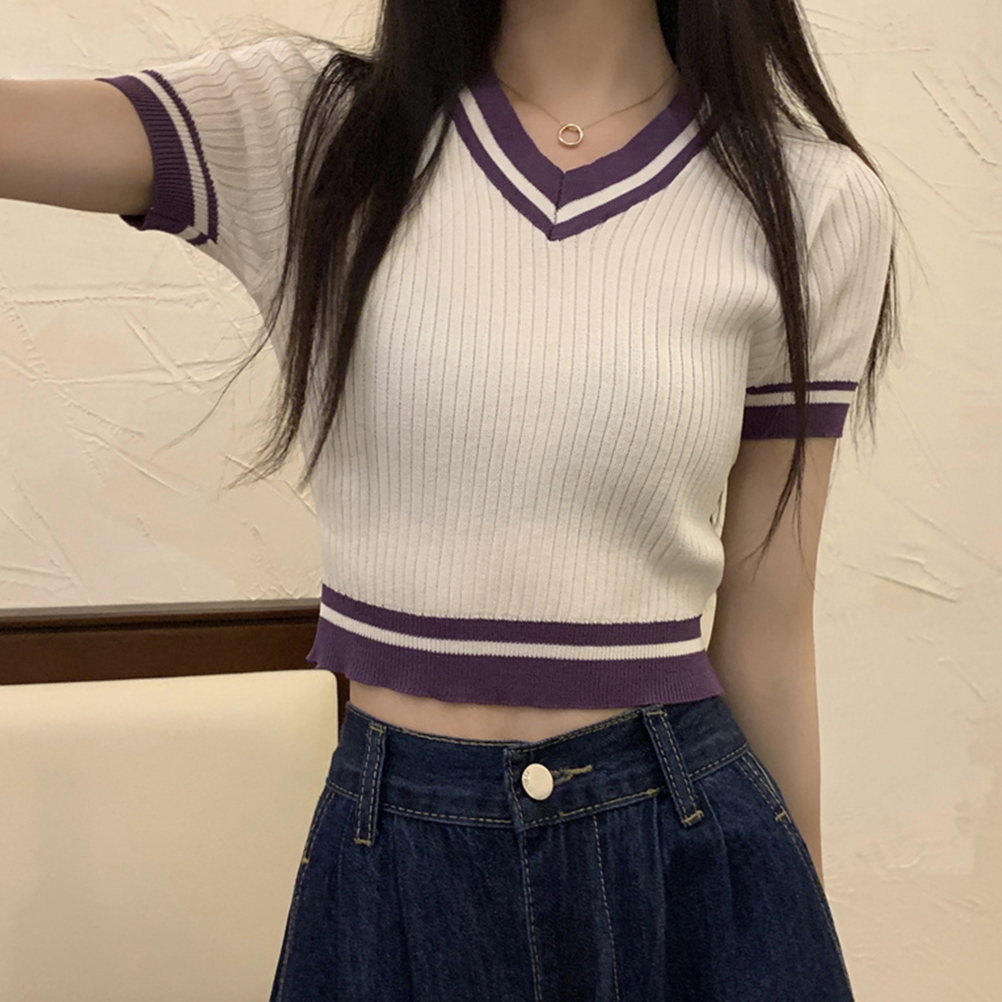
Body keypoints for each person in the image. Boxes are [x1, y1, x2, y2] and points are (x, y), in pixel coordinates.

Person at [0, 0, 900, 998]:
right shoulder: (319, 133)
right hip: (394, 862)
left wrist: (794, 937)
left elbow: (768, 629)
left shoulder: (811, 202)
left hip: (676, 854)